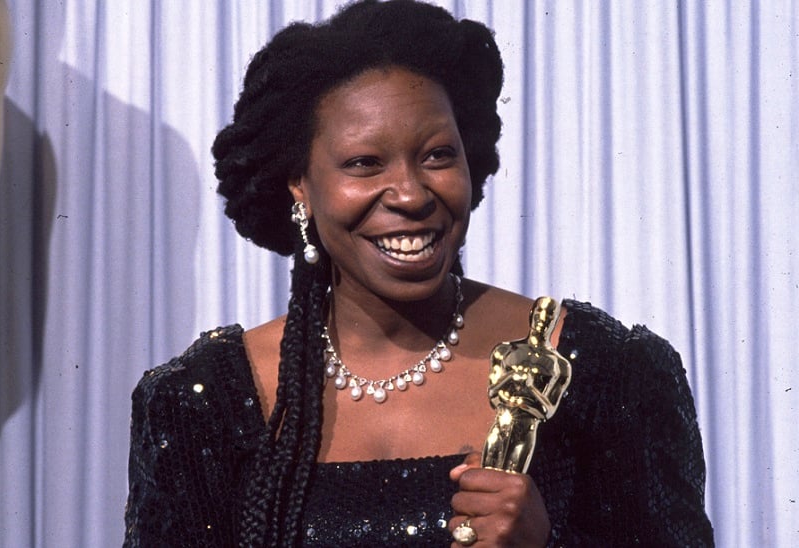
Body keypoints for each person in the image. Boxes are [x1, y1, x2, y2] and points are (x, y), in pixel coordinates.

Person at [123, 1, 714, 546]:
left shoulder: (602, 373)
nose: (410, 193)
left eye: (437, 155)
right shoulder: (203, 401)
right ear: (298, 185)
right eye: (364, 163)